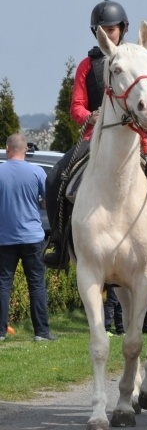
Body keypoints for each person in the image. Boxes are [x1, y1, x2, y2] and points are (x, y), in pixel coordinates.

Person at [44, 0, 147, 270]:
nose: (109, 33)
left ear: (123, 29)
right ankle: (58, 242)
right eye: (104, 29)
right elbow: (76, 104)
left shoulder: (138, 59)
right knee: (54, 178)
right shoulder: (87, 65)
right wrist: (89, 116)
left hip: (139, 138)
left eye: (113, 28)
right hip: (96, 139)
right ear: (97, 33)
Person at [0, 134, 57, 341]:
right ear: (25, 150)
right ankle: (41, 332)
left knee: (3, 284)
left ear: (7, 148)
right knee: (37, 284)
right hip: (32, 237)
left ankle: (0, 332)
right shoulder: (36, 172)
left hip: (4, 238)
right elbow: (47, 203)